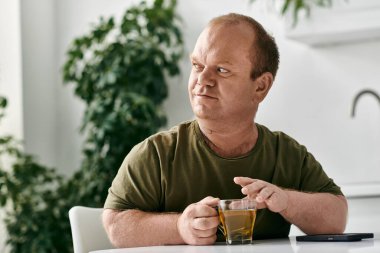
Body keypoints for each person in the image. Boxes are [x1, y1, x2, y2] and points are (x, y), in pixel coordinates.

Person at [102, 13, 348, 248]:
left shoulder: (285, 154)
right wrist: (179, 227)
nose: (203, 79)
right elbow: (115, 225)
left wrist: (285, 200)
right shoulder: (157, 153)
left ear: (260, 87)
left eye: (221, 70)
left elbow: (336, 219)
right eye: (197, 65)